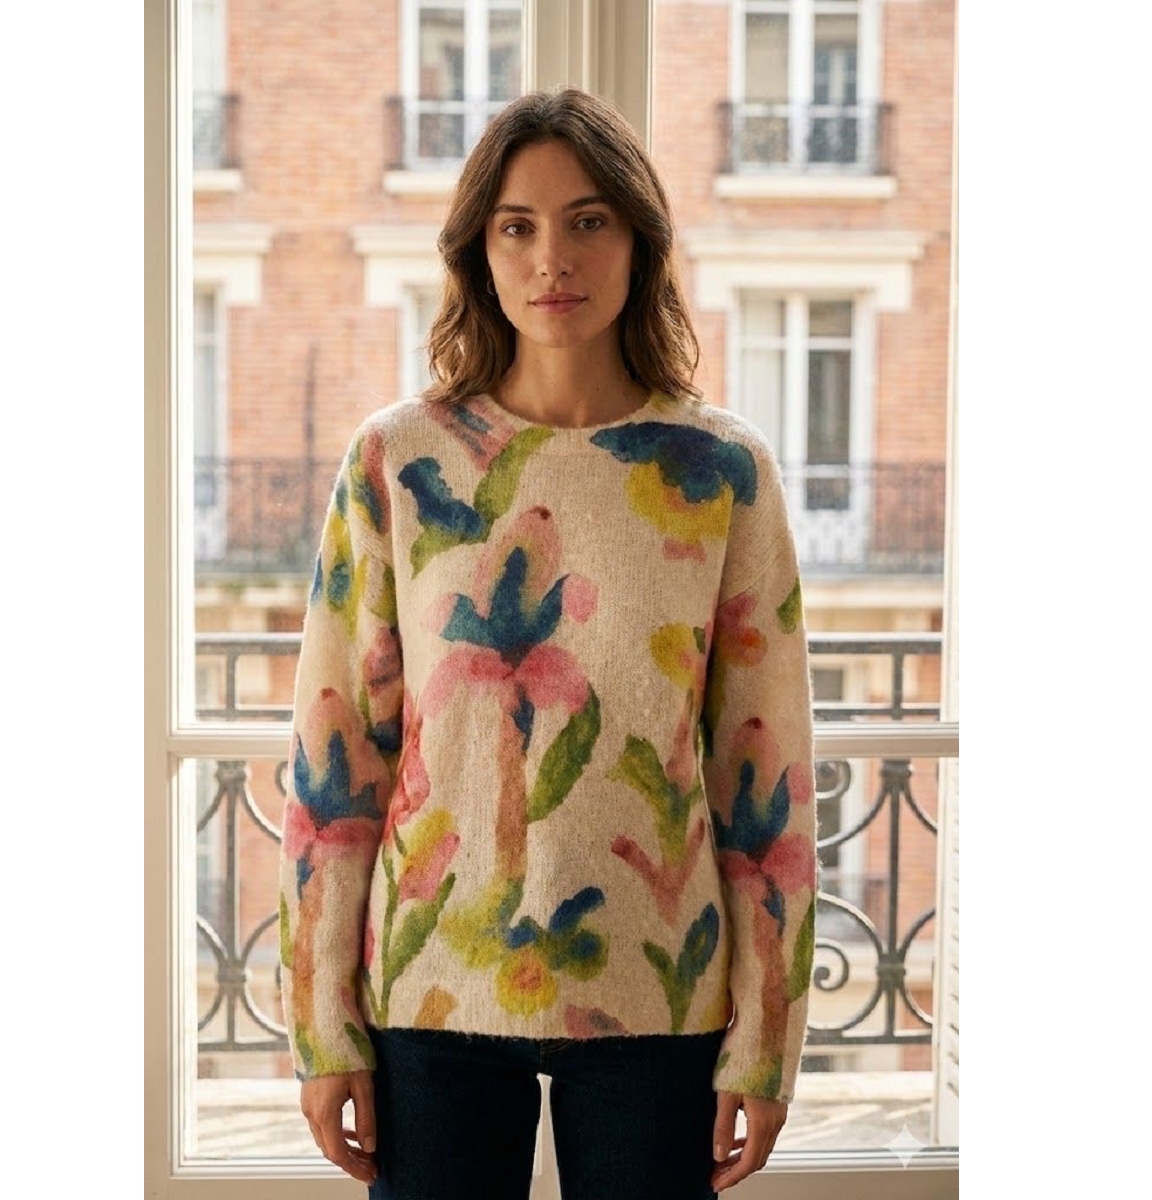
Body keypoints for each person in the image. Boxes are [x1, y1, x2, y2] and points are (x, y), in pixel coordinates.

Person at [278, 86, 818, 1200]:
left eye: (588, 220)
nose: (551, 258)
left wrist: (768, 1037)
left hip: (660, 987)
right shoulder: (396, 461)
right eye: (516, 226)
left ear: (639, 240)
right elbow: (336, 759)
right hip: (427, 985)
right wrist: (321, 1024)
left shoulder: (722, 470)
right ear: (479, 251)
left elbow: (765, 772)